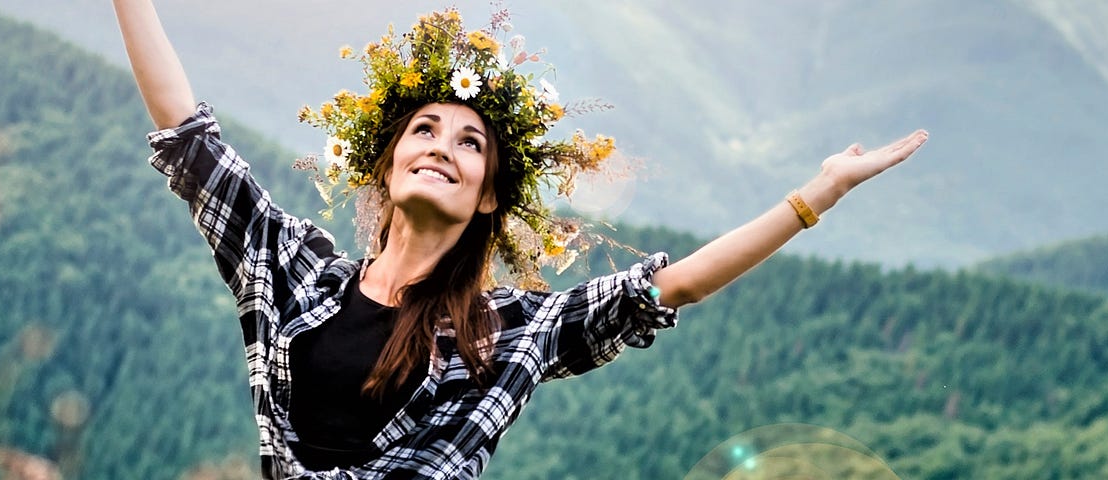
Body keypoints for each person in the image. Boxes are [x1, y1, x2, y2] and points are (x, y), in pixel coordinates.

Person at [113, 2, 928, 478]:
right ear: (389, 159)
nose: (441, 144)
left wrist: (816, 194)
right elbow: (190, 139)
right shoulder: (299, 274)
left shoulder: (509, 334)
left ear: (488, 194)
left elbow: (671, 286)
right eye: (425, 128)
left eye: (470, 142)